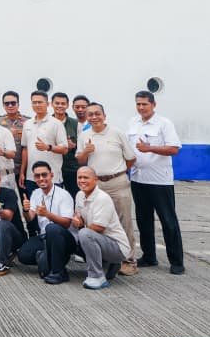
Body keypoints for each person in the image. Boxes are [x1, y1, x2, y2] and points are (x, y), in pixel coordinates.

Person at [76, 102, 138, 274]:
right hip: (95, 184)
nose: (94, 117)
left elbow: (131, 158)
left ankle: (129, 261)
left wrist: (118, 172)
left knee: (124, 220)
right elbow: (80, 161)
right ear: (86, 117)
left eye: (97, 113)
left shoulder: (117, 133)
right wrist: (86, 151)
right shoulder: (84, 135)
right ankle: (106, 259)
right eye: (90, 114)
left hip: (117, 183)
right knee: (96, 221)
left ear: (104, 115)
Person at [127, 90, 184, 274]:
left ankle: (176, 261)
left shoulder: (164, 124)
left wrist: (149, 148)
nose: (141, 107)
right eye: (138, 104)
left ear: (153, 104)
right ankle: (149, 256)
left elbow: (174, 149)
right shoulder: (133, 122)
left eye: (144, 104)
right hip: (138, 179)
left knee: (168, 221)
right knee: (143, 220)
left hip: (160, 181)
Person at [18, 161, 77, 284]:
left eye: (44, 175)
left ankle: (58, 272)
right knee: (23, 255)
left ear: (51, 175)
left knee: (52, 228)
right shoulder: (36, 193)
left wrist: (47, 214)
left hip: (64, 238)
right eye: (37, 176)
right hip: (44, 237)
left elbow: (67, 223)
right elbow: (30, 218)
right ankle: (47, 257)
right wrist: (25, 210)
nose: (41, 178)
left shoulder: (63, 195)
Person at [72, 166, 130, 290]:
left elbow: (99, 227)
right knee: (73, 235)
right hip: (101, 240)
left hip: (117, 247)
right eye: (79, 177)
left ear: (95, 179)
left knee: (84, 234)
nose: (82, 180)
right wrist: (79, 222)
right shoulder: (79, 195)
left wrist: (82, 226)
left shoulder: (102, 198)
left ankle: (97, 276)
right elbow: (80, 219)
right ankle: (109, 265)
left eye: (86, 177)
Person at [19, 91, 68, 198]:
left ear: (48, 104)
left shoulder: (56, 124)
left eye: (40, 102)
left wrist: (48, 147)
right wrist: (22, 172)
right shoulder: (27, 124)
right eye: (34, 102)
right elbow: (25, 149)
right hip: (32, 177)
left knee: (53, 206)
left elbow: (64, 149)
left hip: (52, 177)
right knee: (34, 207)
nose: (37, 105)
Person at [52, 93, 80, 198]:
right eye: (57, 103)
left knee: (74, 198)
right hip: (53, 168)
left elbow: (83, 145)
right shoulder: (47, 122)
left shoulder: (75, 123)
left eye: (63, 103)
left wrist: (74, 145)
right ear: (51, 104)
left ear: (67, 105)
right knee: (55, 199)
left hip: (71, 168)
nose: (60, 106)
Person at [0, 91, 26, 178]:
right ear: (3, 105)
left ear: (18, 104)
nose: (10, 106)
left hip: (23, 169)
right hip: (3, 169)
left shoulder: (27, 122)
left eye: (13, 103)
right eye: (7, 103)